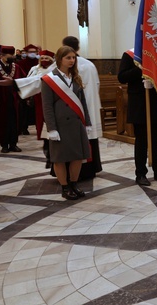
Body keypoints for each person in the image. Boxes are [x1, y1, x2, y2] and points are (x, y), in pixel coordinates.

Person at [117, 49, 157, 186]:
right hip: (139, 104)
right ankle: (141, 173)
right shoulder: (130, 55)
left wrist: (155, 77)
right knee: (141, 140)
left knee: (156, 139)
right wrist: (142, 71)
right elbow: (122, 77)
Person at [41, 46, 91, 200]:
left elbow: (82, 103)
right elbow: (47, 106)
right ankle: (64, 187)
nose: (71, 61)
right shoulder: (49, 79)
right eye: (68, 57)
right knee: (60, 158)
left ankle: (74, 184)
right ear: (59, 59)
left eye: (73, 58)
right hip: (59, 125)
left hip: (76, 124)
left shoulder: (76, 77)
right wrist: (51, 129)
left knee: (77, 156)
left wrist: (87, 123)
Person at [62, 36, 103, 180]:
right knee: (87, 138)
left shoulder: (61, 66)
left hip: (70, 111)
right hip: (88, 108)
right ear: (78, 47)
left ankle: (71, 174)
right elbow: (97, 85)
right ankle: (90, 169)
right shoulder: (90, 65)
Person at [26, 50, 56, 166]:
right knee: (43, 131)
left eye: (46, 58)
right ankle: (48, 156)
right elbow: (29, 83)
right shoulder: (35, 69)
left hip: (52, 101)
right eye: (42, 58)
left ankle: (53, 155)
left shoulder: (55, 70)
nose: (44, 60)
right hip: (39, 103)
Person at [0, 45, 25, 153]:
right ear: (2, 55)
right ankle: (4, 144)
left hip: (14, 100)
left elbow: (23, 80)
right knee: (2, 121)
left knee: (14, 121)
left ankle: (13, 143)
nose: (12, 57)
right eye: (10, 55)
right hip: (0, 100)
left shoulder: (16, 67)